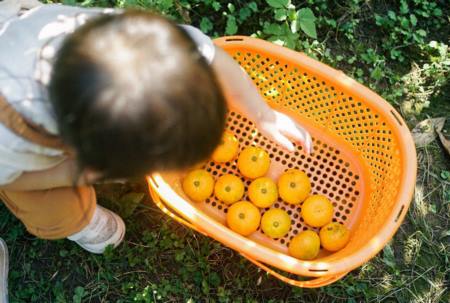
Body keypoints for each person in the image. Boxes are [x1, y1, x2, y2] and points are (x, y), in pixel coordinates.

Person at [0, 2, 312, 256]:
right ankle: (77, 222)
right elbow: (23, 178)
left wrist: (263, 114)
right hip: (17, 158)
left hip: (21, 31)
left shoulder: (146, 45)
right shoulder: (11, 143)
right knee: (50, 206)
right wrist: (80, 173)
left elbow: (211, 57)